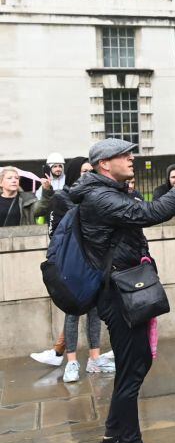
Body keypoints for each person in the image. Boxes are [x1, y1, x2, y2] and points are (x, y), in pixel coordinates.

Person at [76, 138, 175, 443]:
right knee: (133, 368)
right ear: (105, 164)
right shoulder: (100, 196)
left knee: (138, 362)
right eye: (124, 154)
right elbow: (152, 213)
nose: (131, 158)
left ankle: (112, 440)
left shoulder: (113, 190)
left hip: (127, 286)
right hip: (118, 293)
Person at [30, 158, 100, 368]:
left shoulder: (96, 196)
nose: (88, 174)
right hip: (72, 264)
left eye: (91, 170)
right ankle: (68, 359)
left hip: (94, 262)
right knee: (73, 311)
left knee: (94, 311)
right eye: (83, 171)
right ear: (75, 174)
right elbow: (55, 232)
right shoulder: (63, 196)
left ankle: (91, 357)